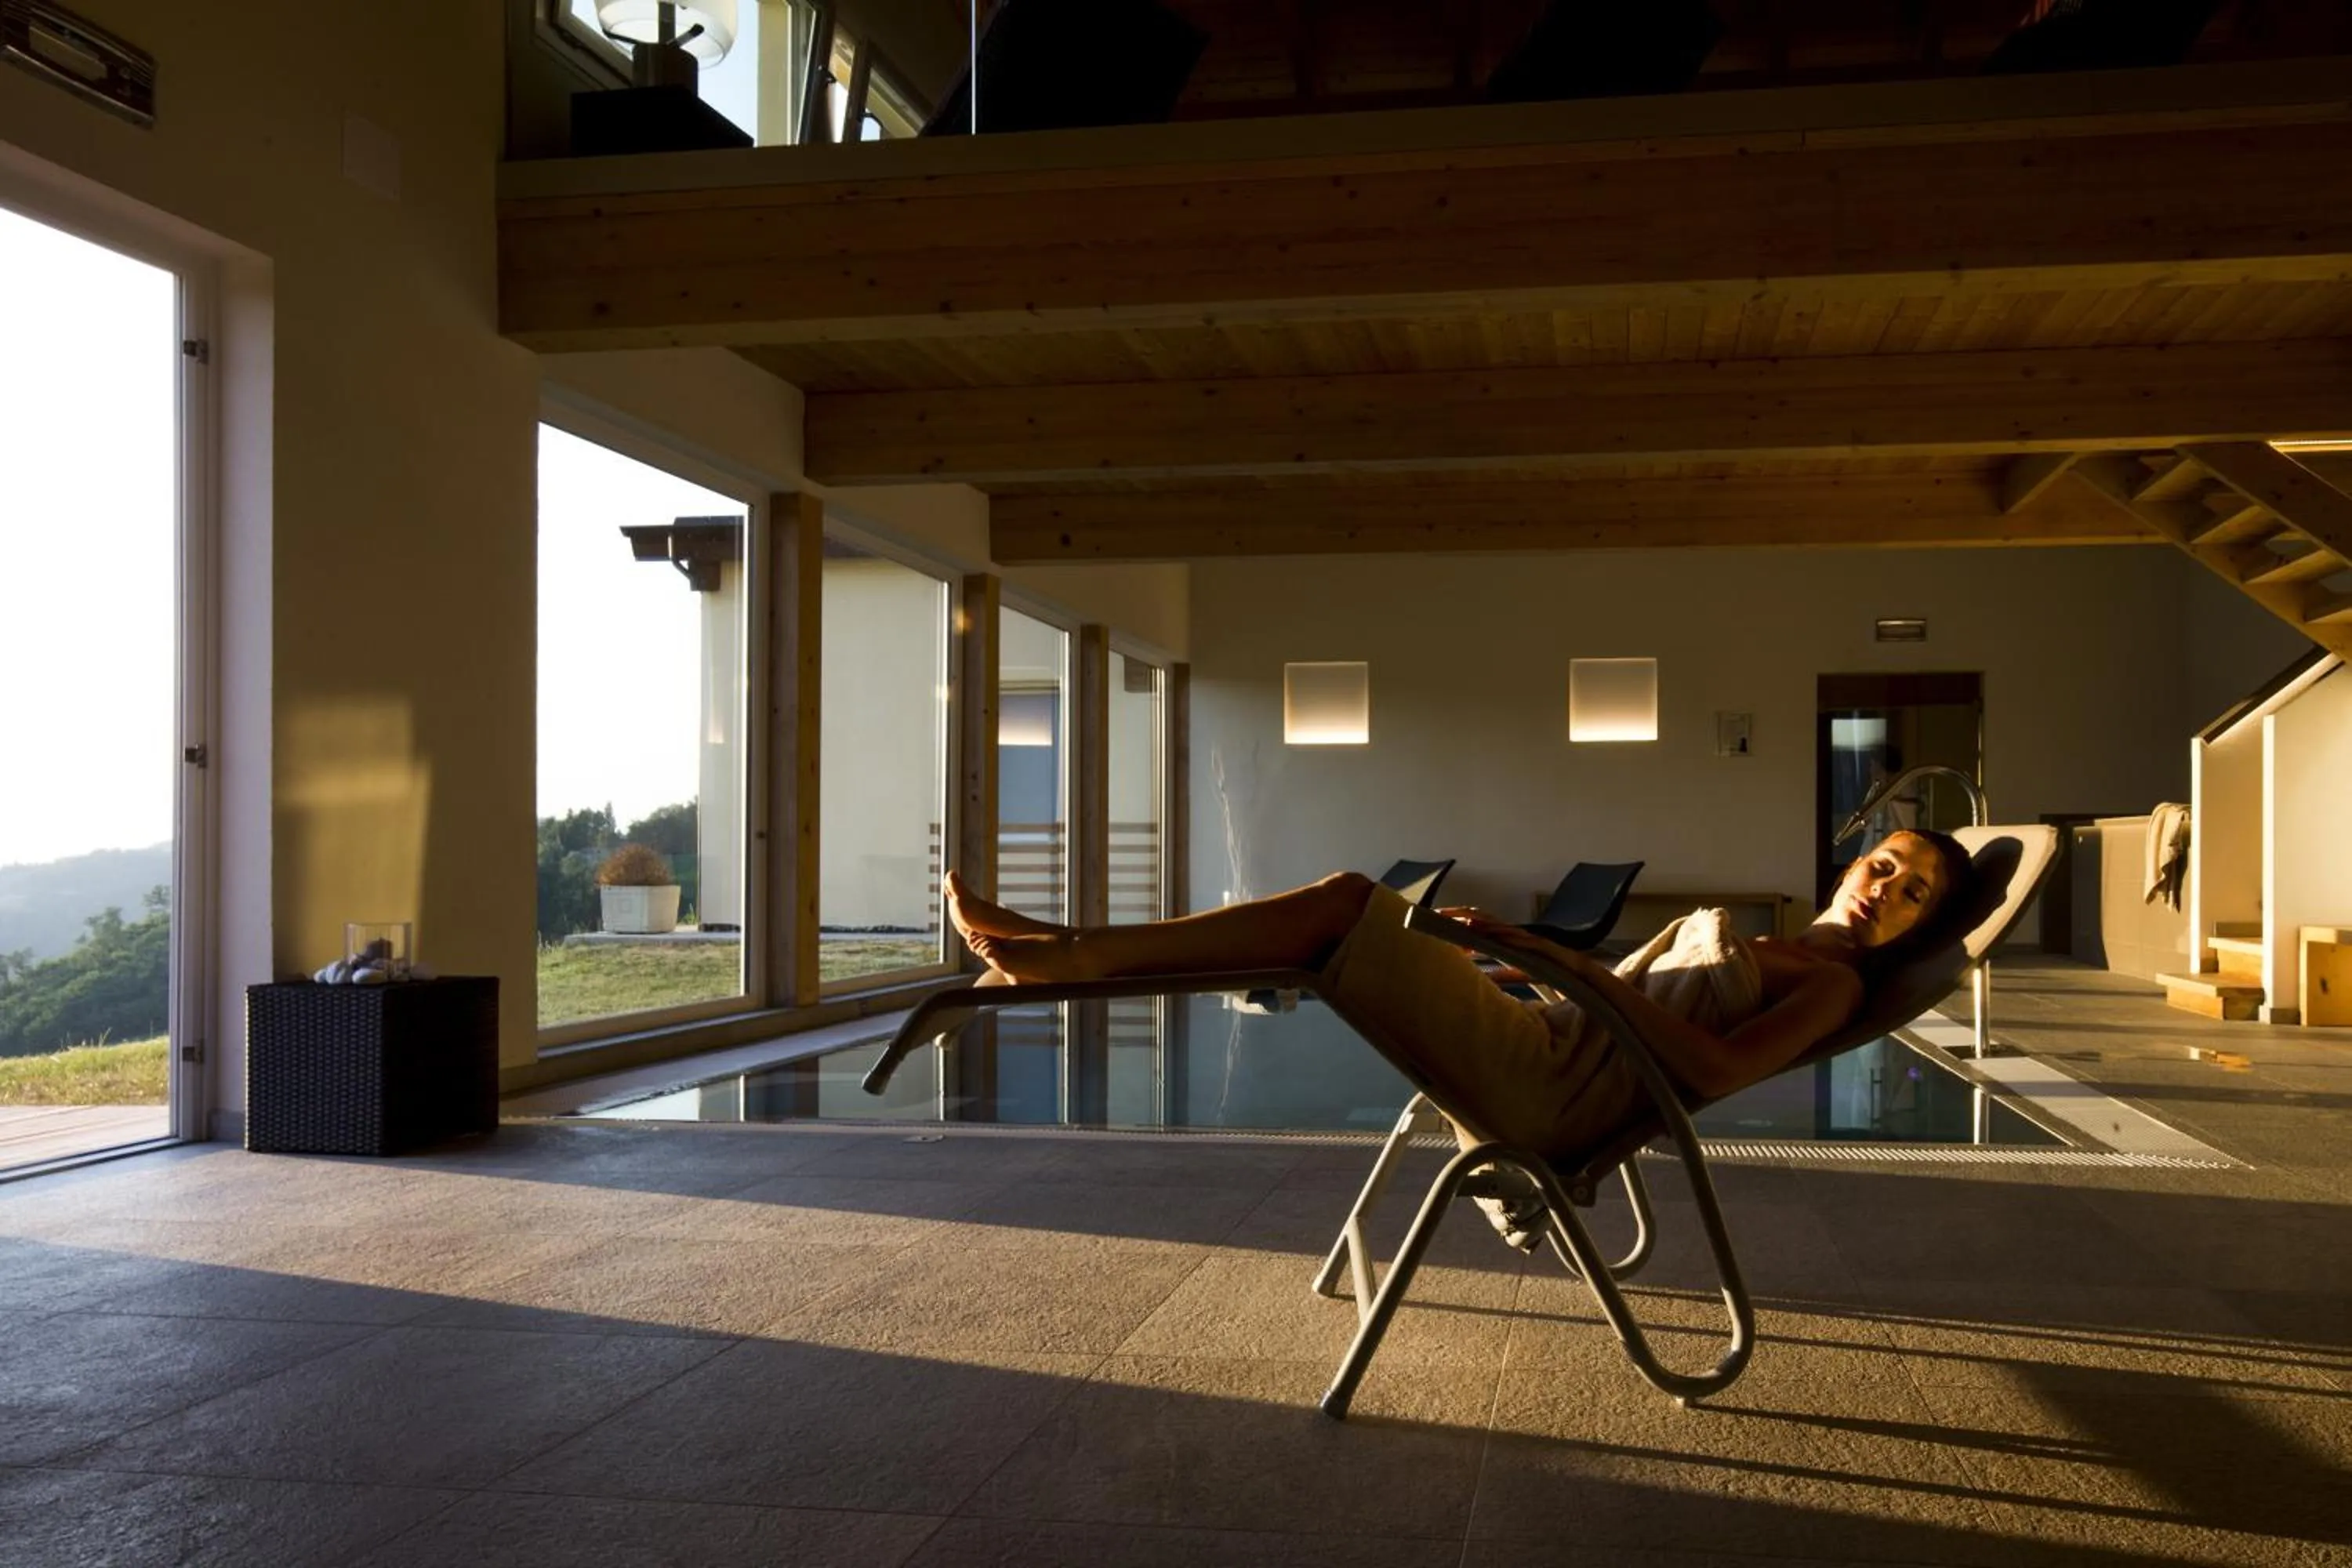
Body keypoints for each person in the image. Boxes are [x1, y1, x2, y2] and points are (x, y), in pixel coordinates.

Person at [943, 829, 1974, 1169]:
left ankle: (1072, 953)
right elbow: (1637, 1008)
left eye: (1914, 893)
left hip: (1549, 1093)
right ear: (1855, 861)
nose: (1885, 887)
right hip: (1546, 1040)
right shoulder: (1782, 946)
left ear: (1917, 927)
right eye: (1885, 864)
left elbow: (1709, 1070)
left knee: (1348, 905)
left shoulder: (1830, 983)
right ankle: (1070, 952)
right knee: (1358, 915)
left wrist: (1574, 969)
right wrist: (1523, 963)